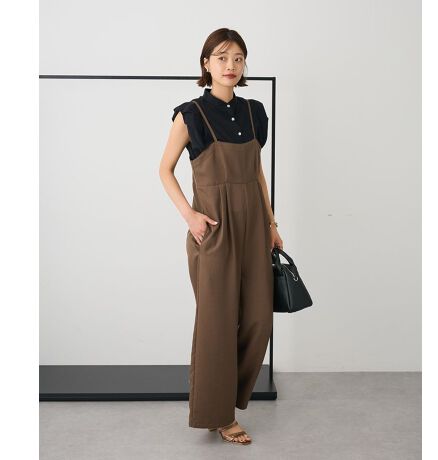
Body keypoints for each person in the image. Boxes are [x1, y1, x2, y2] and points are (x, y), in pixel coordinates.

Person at [159, 28, 283, 445]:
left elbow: (256, 173)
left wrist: (271, 224)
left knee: (259, 319)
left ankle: (229, 397)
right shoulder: (190, 114)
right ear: (206, 63)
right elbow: (164, 169)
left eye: (238, 58)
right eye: (222, 57)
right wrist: (190, 216)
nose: (231, 66)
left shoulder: (254, 112)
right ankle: (220, 415)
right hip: (213, 228)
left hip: (254, 225)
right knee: (217, 322)